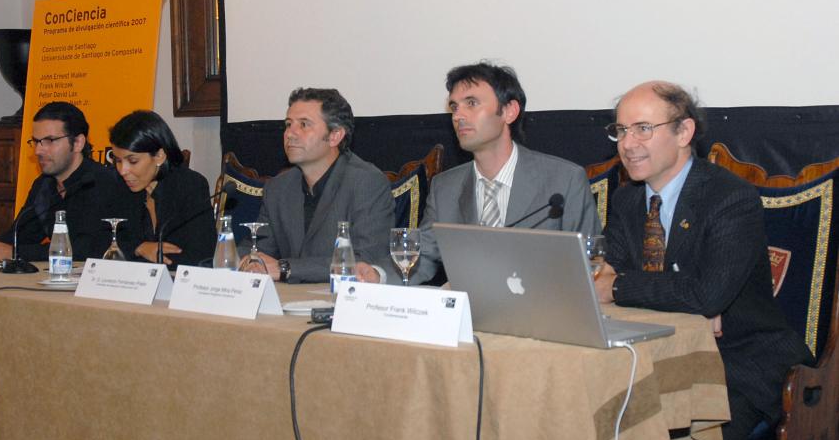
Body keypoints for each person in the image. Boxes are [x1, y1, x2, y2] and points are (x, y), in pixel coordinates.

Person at [594, 81, 812, 440]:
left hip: (744, 352)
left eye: (644, 128)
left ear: (685, 131)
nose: (629, 143)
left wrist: (628, 285)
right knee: (602, 422)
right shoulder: (628, 204)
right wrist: (678, 295)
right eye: (622, 130)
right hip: (659, 351)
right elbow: (679, 293)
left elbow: (705, 295)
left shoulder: (730, 198)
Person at [358, 61, 600, 285]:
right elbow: (423, 255)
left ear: (509, 111)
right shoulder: (445, 187)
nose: (458, 116)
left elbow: (589, 265)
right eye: (454, 106)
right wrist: (376, 275)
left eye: (471, 103)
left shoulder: (563, 180)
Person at [240, 87, 395, 283]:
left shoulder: (366, 182)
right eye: (288, 124)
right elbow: (257, 248)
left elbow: (365, 260)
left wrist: (286, 268)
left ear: (335, 136)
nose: (290, 134)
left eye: (304, 125)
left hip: (341, 303)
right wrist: (249, 261)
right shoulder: (278, 188)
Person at [0, 102, 132, 263]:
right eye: (36, 141)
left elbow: (88, 249)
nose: (38, 151)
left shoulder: (104, 183)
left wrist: (15, 252)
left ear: (78, 143)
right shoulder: (44, 185)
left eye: (49, 141)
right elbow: (19, 235)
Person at [109, 110, 215, 267]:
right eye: (117, 160)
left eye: (132, 161)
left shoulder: (190, 185)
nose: (123, 170)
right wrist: (138, 248)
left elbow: (200, 254)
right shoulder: (119, 185)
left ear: (159, 156)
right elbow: (98, 240)